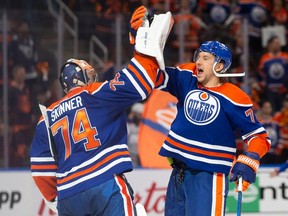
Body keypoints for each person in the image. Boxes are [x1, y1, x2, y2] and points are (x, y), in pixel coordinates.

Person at [129, 6, 270, 216]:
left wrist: (250, 160)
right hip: (178, 173)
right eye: (198, 56)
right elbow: (154, 76)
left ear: (220, 66)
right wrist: (140, 42)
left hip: (209, 177)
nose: (198, 61)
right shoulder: (188, 76)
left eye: (205, 57)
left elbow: (259, 136)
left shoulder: (235, 96)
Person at [30, 10, 174, 215]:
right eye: (90, 74)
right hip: (104, 182)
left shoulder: (46, 117)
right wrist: (141, 43)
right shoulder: (95, 93)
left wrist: (56, 197)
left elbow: (41, 168)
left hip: (69, 195)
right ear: (82, 78)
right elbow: (138, 82)